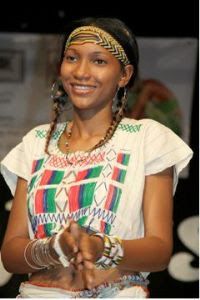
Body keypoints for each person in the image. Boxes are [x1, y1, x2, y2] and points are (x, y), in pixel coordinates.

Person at [0, 17, 193, 298]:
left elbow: (159, 250)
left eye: (99, 61)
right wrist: (56, 247)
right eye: (72, 58)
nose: (81, 71)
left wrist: (100, 247)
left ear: (124, 75)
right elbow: (11, 255)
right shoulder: (36, 143)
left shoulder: (147, 139)